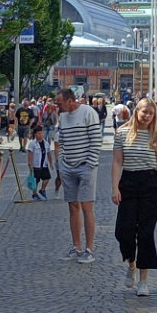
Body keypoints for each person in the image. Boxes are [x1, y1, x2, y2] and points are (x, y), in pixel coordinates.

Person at [111, 98, 157, 296]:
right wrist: (115, 188)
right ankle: (131, 263)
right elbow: (117, 162)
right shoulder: (122, 133)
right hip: (128, 182)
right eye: (144, 112)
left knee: (146, 233)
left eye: (151, 113)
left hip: (149, 183)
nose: (147, 116)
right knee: (123, 231)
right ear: (137, 112)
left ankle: (144, 280)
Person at [53, 87, 102, 261]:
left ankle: (89, 248)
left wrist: (90, 164)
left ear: (69, 100)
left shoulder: (88, 113)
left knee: (87, 207)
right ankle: (77, 246)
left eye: (59, 102)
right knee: (72, 207)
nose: (57, 106)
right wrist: (62, 162)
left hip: (85, 167)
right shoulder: (63, 117)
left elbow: (96, 140)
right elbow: (62, 141)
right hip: (68, 167)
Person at [26, 125, 51, 200]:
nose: (40, 135)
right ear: (35, 134)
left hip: (44, 164)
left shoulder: (46, 143)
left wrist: (51, 162)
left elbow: (49, 153)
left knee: (47, 178)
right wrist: (30, 164)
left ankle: (42, 189)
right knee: (36, 180)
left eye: (41, 133)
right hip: (36, 165)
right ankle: (34, 194)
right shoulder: (32, 144)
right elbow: (30, 154)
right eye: (38, 133)